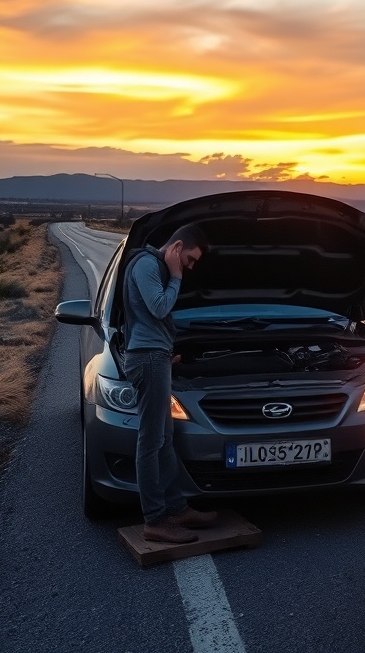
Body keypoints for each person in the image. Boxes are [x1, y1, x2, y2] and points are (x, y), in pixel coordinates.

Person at [123, 224, 217, 543]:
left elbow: (151, 318)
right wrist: (176, 276)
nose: (190, 267)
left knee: (164, 437)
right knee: (150, 441)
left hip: (155, 357)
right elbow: (160, 306)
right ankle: (155, 519)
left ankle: (176, 508)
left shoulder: (153, 266)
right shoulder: (149, 265)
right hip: (147, 358)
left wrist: (166, 353)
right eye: (189, 259)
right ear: (177, 248)